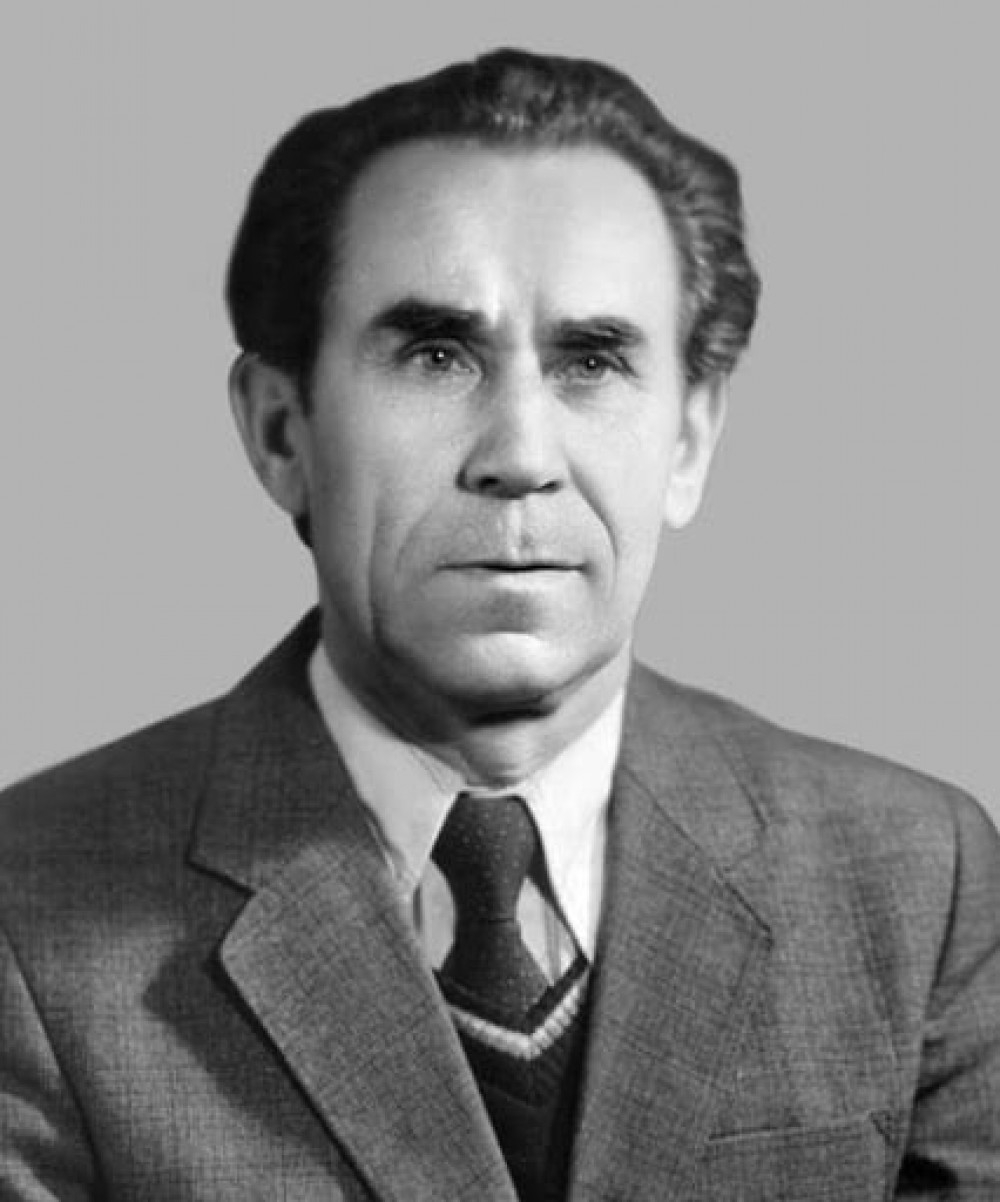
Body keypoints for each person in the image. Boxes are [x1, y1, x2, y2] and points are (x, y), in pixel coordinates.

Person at [1, 47, 998, 1202]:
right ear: (282, 431)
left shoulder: (917, 877)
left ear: (688, 439)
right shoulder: (28, 906)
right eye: (434, 355)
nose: (520, 455)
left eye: (592, 360)